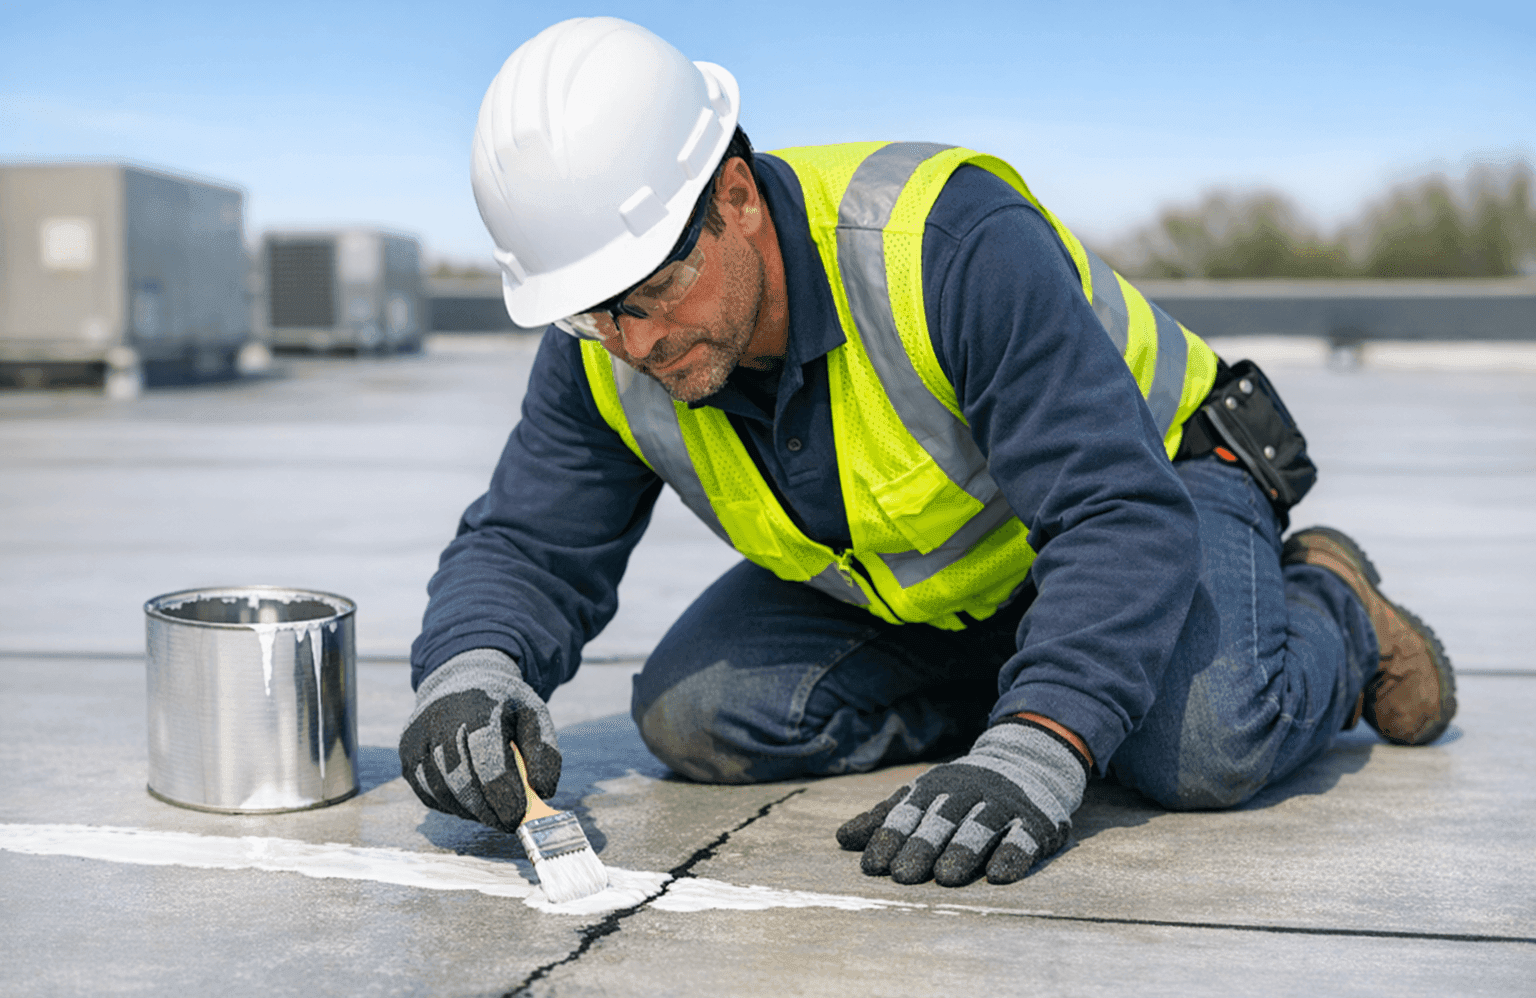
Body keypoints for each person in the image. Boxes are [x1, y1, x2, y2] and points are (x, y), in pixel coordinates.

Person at [398, 17, 1456, 888]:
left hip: (1164, 487)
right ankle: (1057, 670)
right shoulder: (605, 351)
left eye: (648, 294)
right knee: (699, 714)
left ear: (733, 198)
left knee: (1202, 743)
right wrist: (471, 674)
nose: (633, 343)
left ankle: (1333, 608)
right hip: (950, 585)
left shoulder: (943, 245)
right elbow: (530, 542)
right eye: (591, 315)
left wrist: (1037, 743)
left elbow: (1113, 514)